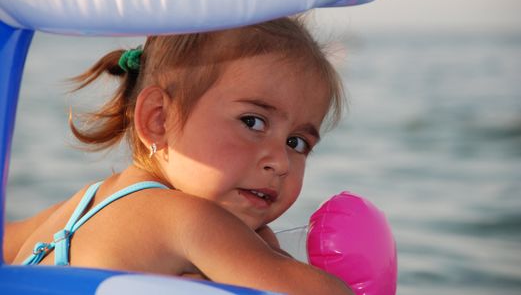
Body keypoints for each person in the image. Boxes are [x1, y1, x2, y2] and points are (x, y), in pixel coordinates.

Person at [4, 17, 352, 294]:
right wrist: (272, 257)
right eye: (252, 121)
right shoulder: (190, 218)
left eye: (297, 143)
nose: (280, 161)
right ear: (158, 119)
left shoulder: (85, 203)